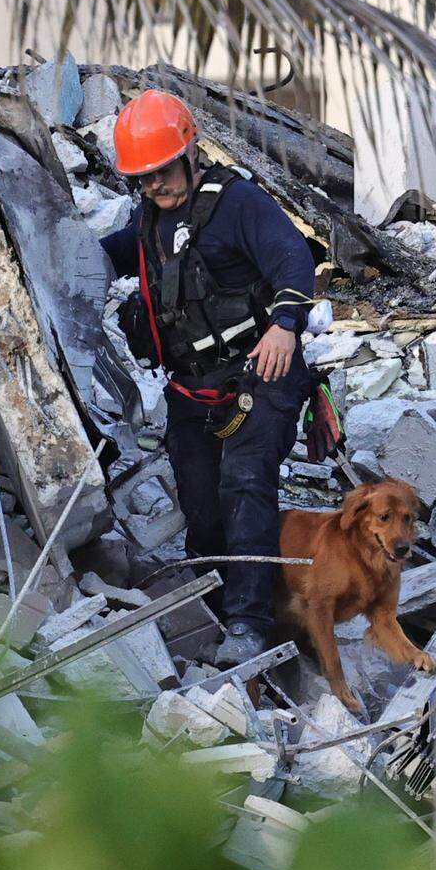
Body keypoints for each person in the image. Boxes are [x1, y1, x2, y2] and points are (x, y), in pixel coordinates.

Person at [99, 89, 316, 666]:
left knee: (245, 482)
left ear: (190, 152)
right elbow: (107, 256)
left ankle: (248, 623)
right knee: (200, 501)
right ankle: (212, 610)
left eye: (163, 171)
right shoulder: (148, 222)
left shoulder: (238, 203)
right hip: (192, 386)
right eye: (143, 178)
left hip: (260, 371)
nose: (155, 185)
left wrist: (285, 325)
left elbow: (293, 257)